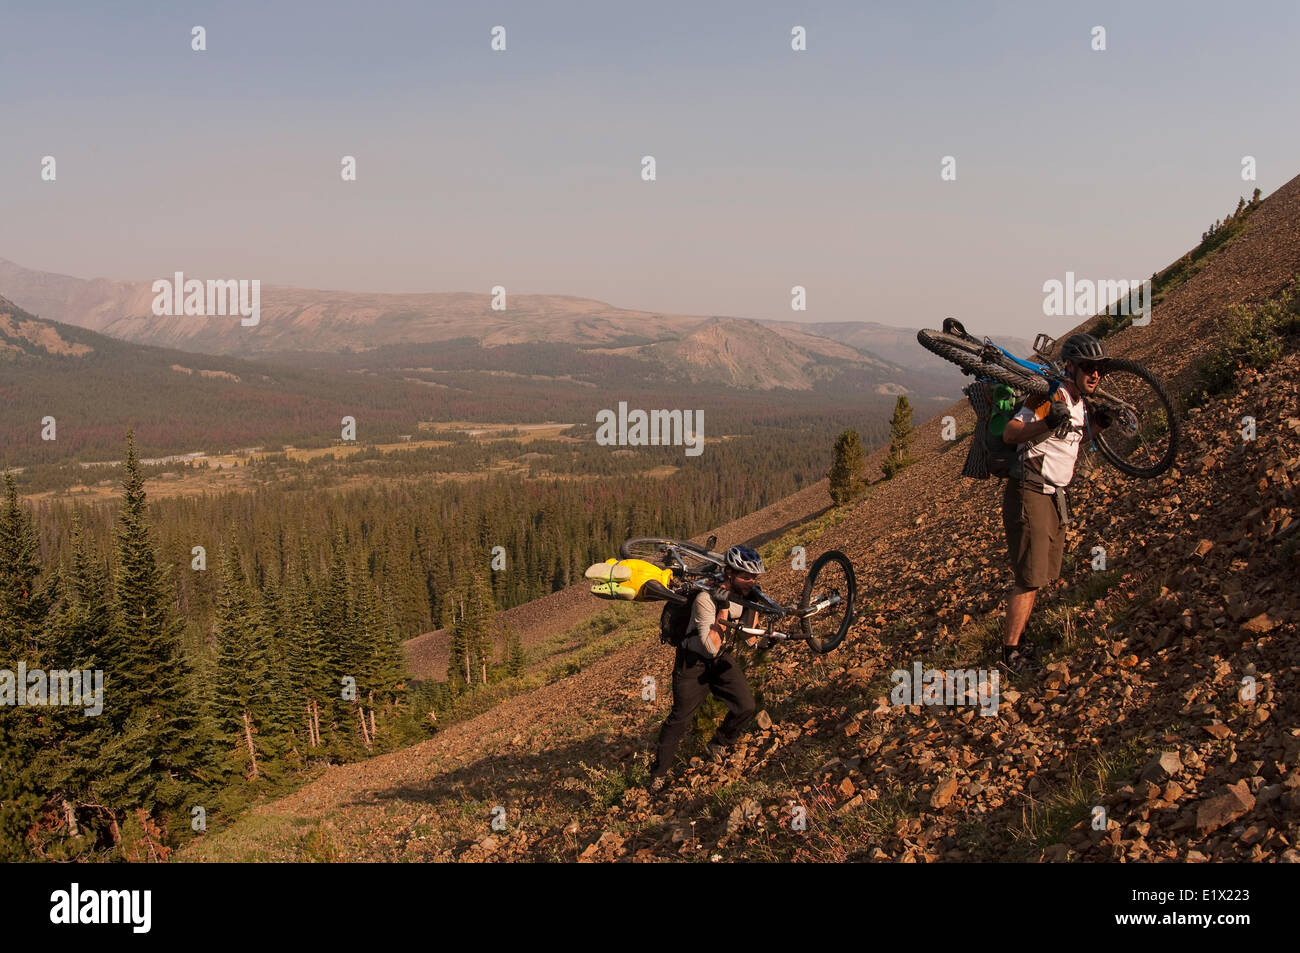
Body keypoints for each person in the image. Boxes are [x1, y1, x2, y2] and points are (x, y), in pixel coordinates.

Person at [999, 333, 1112, 673]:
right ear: (1071, 367)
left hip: (1053, 494)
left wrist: (1098, 424)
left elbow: (1073, 440)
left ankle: (1019, 641)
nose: (1094, 374)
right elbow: (1010, 432)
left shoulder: (1079, 404)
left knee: (1042, 572)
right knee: (1029, 576)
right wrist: (1048, 419)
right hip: (1030, 489)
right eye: (1087, 368)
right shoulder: (1049, 397)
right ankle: (1009, 655)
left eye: (1099, 369)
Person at [647, 545, 763, 793]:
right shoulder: (705, 599)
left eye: (754, 577)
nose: (751, 582)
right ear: (730, 574)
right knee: (679, 720)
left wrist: (761, 623)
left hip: (719, 659)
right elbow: (710, 646)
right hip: (693, 663)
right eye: (746, 576)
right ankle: (658, 774)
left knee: (746, 706)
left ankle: (718, 743)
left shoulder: (747, 595)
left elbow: (749, 639)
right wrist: (722, 609)